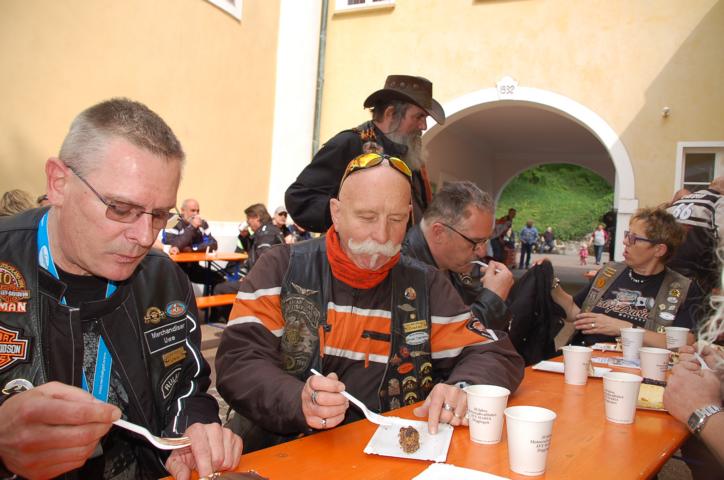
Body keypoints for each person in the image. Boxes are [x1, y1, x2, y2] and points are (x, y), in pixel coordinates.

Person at [0, 98, 241, 479]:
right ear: (59, 183)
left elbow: (187, 385)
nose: (144, 237)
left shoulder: (163, 279)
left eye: (159, 214)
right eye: (121, 209)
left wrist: (192, 430)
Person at [216, 153, 524, 452]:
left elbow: (494, 353)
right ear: (336, 213)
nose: (381, 235)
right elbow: (239, 360)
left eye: (396, 219)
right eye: (367, 217)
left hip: (387, 461)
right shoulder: (281, 268)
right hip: (281, 454)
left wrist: (463, 388)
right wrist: (297, 399)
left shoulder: (426, 285)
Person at [285, 74, 446, 233]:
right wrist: (352, 216)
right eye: (419, 117)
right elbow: (299, 198)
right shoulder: (350, 143)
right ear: (390, 114)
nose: (424, 126)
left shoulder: (410, 157)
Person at [550, 207, 701, 348]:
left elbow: (686, 342)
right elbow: (574, 311)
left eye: (634, 238)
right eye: (627, 235)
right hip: (584, 357)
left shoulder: (682, 288)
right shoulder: (609, 272)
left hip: (636, 364)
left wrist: (623, 328)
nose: (625, 241)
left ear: (659, 250)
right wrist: (551, 283)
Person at [402, 181, 513, 331]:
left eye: (485, 241)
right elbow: (444, 339)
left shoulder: (453, 263)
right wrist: (493, 300)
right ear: (439, 233)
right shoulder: (404, 273)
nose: (482, 252)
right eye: (475, 242)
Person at [666, 176, 724, 294]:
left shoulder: (681, 201)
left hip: (668, 269)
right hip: (700, 276)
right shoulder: (718, 201)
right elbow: (722, 238)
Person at [162, 198, 224, 290]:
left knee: (219, 279)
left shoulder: (202, 224)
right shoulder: (172, 221)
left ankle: (212, 299)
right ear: (183, 210)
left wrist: (193, 249)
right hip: (174, 269)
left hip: (193, 268)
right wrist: (192, 227)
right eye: (193, 210)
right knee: (181, 288)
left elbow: (213, 244)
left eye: (198, 211)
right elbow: (172, 246)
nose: (196, 214)